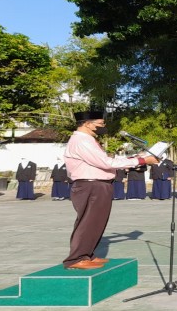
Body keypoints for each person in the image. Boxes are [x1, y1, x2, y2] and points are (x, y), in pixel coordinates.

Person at [62, 110, 158, 269]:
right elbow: (106, 163)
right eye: (100, 123)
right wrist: (142, 160)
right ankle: (76, 258)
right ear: (87, 123)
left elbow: (108, 160)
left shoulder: (88, 140)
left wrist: (136, 158)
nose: (103, 126)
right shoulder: (81, 141)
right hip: (90, 185)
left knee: (96, 223)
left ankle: (87, 255)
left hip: (97, 185)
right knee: (88, 222)